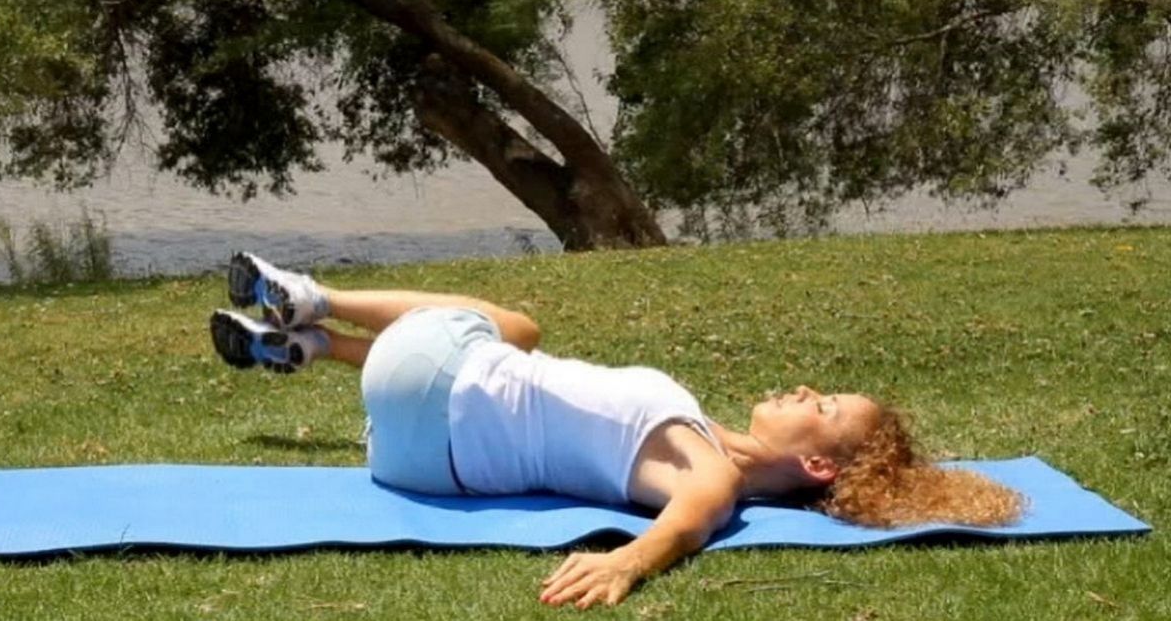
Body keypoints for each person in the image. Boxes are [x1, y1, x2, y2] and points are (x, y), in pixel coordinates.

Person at [209, 252, 1022, 609]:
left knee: (516, 327)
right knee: (504, 353)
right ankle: (311, 345)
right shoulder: (700, 441)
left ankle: (316, 301)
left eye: (826, 405)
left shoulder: (709, 470)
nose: (808, 388)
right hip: (414, 460)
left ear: (815, 461)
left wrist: (626, 562)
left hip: (431, 380)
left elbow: (694, 517)